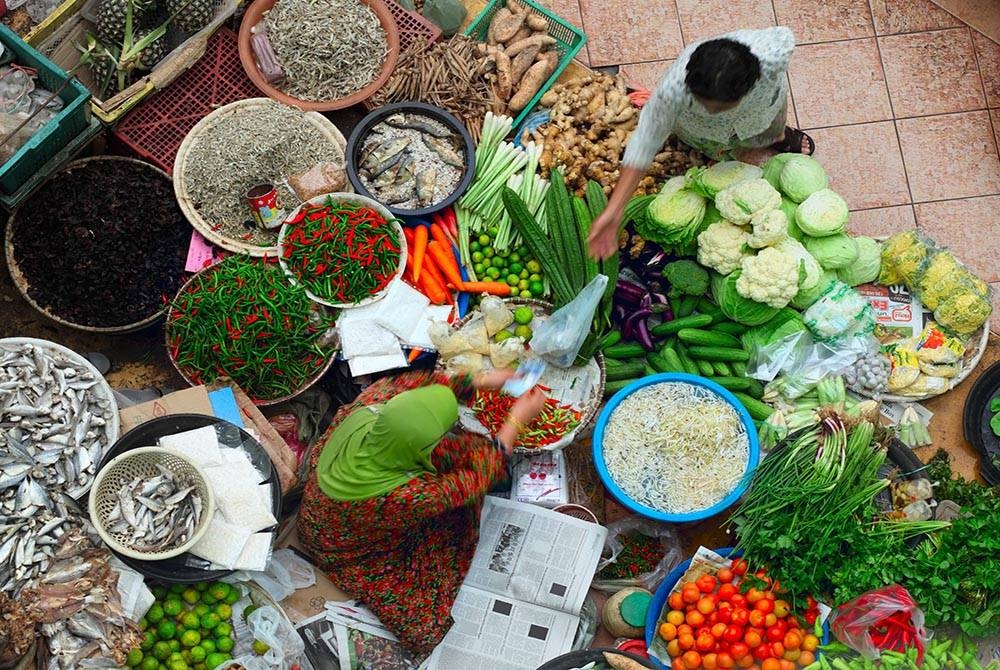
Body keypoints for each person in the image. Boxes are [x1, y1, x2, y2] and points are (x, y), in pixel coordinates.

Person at [297, 368, 546, 655]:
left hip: (351, 473)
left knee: (463, 451)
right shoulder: (404, 497)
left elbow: (417, 384)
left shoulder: (375, 401)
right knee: (423, 621)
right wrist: (515, 421)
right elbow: (474, 480)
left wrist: (481, 379)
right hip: (341, 544)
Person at [588, 27, 814, 259]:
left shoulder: (775, 52)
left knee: (770, 129)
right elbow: (644, 143)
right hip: (702, 130)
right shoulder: (674, 89)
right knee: (706, 139)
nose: (711, 111)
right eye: (703, 104)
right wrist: (614, 212)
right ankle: (732, 144)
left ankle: (779, 137)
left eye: (720, 107)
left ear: (753, 82)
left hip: (761, 111)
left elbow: (786, 34)